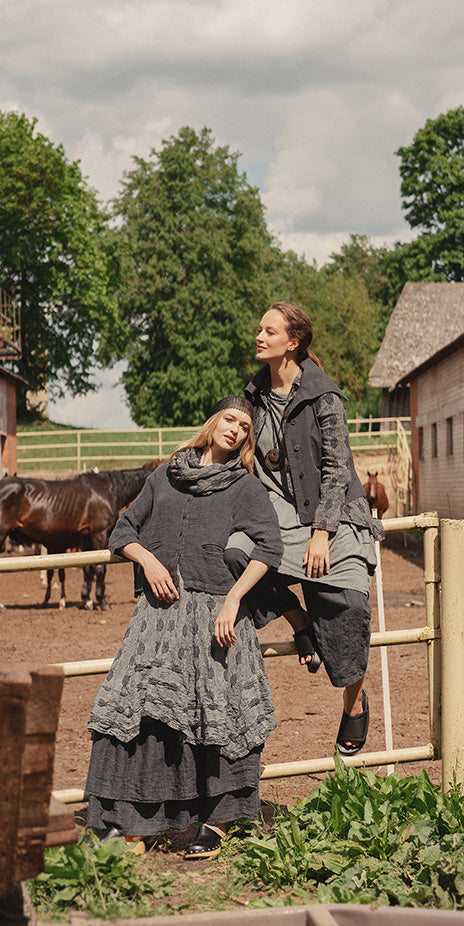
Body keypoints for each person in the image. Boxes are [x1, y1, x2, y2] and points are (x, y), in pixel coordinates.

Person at [84, 397, 283, 859]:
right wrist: (149, 559)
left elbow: (269, 549)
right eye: (230, 420)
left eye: (245, 428)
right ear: (214, 422)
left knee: (216, 716)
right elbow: (122, 532)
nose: (235, 430)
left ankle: (216, 823)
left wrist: (234, 600)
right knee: (133, 708)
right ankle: (130, 822)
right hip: (157, 615)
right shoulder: (165, 476)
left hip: (215, 615)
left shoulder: (244, 487)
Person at [241, 301, 384, 755]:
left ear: (293, 342)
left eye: (269, 331)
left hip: (333, 514)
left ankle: (354, 703)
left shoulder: (323, 394)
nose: (259, 336)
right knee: (235, 553)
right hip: (279, 516)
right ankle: (298, 619)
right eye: (260, 329)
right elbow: (224, 444)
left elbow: (338, 466)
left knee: (348, 608)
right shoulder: (253, 396)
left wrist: (323, 532)